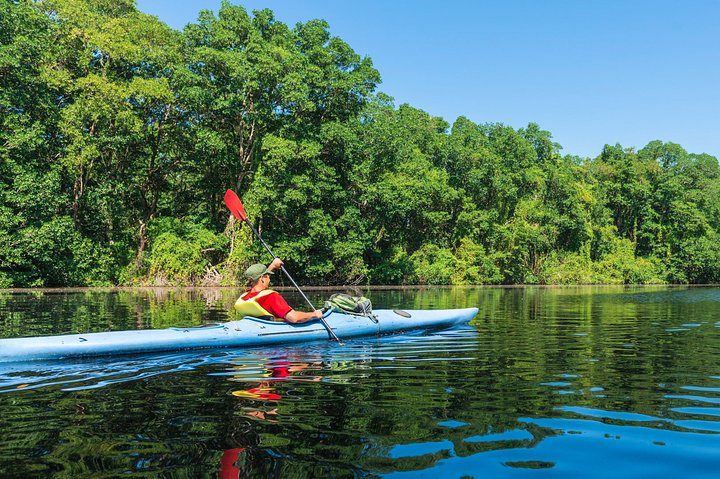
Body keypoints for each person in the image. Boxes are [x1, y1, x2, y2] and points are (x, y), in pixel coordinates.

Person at [234, 258, 323, 323]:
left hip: (257, 328)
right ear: (262, 279)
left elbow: (259, 282)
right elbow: (294, 318)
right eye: (268, 276)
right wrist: (314, 314)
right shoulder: (271, 297)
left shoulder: (246, 295)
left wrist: (272, 266)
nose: (270, 279)